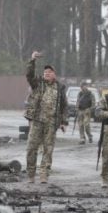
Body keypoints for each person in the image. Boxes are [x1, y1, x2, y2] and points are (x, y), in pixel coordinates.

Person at [25, 51, 68, 184]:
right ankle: (31, 174)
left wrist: (63, 122)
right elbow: (29, 74)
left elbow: (64, 106)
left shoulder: (59, 87)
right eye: (45, 72)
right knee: (31, 148)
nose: (47, 73)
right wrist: (32, 60)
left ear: (54, 74)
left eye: (49, 71)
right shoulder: (38, 83)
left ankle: (44, 174)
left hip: (51, 123)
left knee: (48, 150)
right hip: (37, 121)